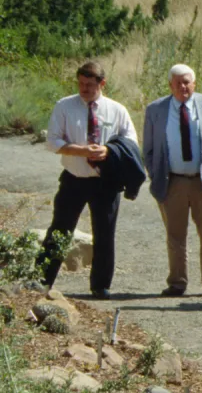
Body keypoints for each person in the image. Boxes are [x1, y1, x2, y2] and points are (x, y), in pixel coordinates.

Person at [40, 61, 142, 299]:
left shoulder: (117, 110)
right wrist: (81, 151)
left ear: (102, 83)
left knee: (104, 233)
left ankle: (100, 285)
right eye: (81, 84)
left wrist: (108, 151)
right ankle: (41, 280)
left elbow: (131, 142)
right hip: (74, 179)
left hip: (105, 180)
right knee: (60, 230)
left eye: (89, 84)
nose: (84, 89)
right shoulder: (64, 106)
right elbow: (52, 142)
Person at [143, 63, 202, 298]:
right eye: (178, 83)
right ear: (170, 85)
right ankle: (177, 282)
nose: (183, 87)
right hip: (172, 182)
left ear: (194, 83)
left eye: (187, 82)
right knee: (175, 235)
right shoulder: (155, 110)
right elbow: (149, 149)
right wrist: (155, 174)